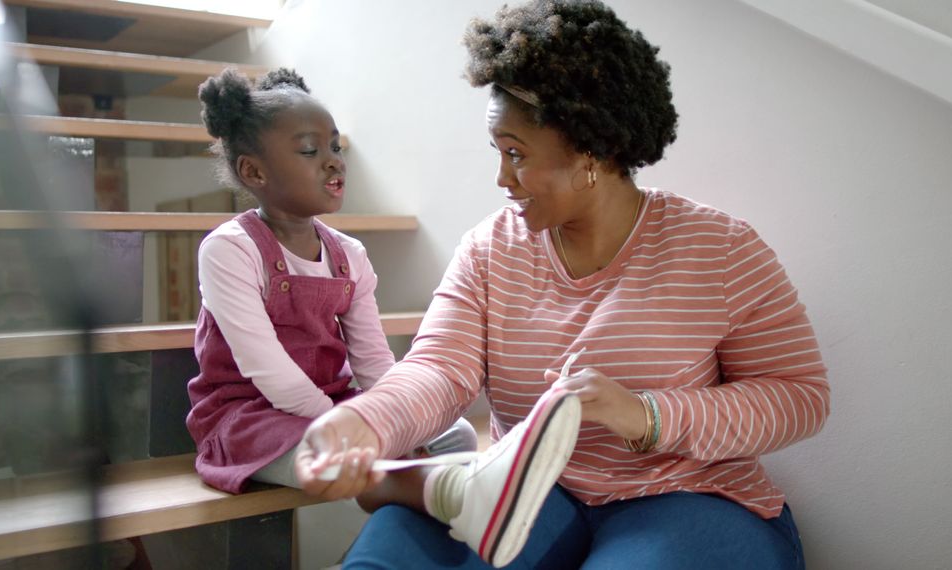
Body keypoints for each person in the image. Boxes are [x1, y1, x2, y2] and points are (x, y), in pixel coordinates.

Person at [295, 1, 831, 568]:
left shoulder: (719, 248)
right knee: (388, 553)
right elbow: (438, 370)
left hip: (689, 496)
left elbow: (800, 396)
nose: (501, 178)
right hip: (529, 495)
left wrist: (644, 414)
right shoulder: (488, 249)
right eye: (498, 152)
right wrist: (362, 422)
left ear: (592, 152)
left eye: (516, 154)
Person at [186, 68, 476, 493]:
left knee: (459, 435)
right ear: (254, 172)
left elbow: (376, 364)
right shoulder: (230, 250)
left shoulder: (350, 256)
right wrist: (342, 427)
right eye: (309, 150)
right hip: (250, 417)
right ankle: (442, 498)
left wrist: (391, 415)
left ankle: (428, 497)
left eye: (335, 147)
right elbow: (266, 368)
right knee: (325, 457)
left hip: (334, 404)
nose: (334, 160)